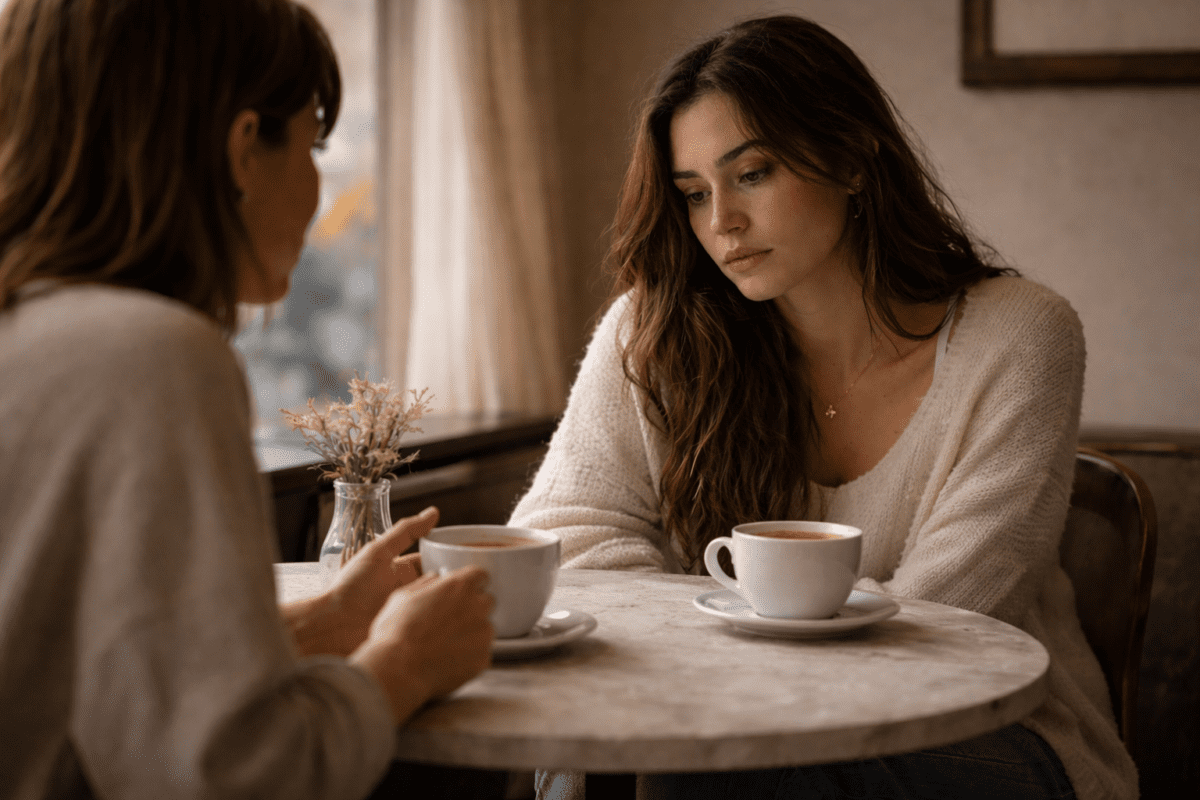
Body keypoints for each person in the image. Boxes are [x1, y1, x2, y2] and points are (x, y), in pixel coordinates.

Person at [509, 15, 1136, 800]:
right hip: (710, 716)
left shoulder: (1021, 336)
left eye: (754, 174)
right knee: (687, 754)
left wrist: (695, 668)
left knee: (705, 763)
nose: (721, 223)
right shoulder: (658, 328)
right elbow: (560, 539)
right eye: (694, 193)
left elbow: (946, 627)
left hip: (984, 735)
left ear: (853, 158)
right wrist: (705, 679)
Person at [0, 1, 505, 798]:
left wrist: (325, 624)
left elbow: (77, 675)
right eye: (314, 144)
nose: (317, 185)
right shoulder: (148, 358)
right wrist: (403, 663)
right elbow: (221, 778)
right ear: (242, 151)